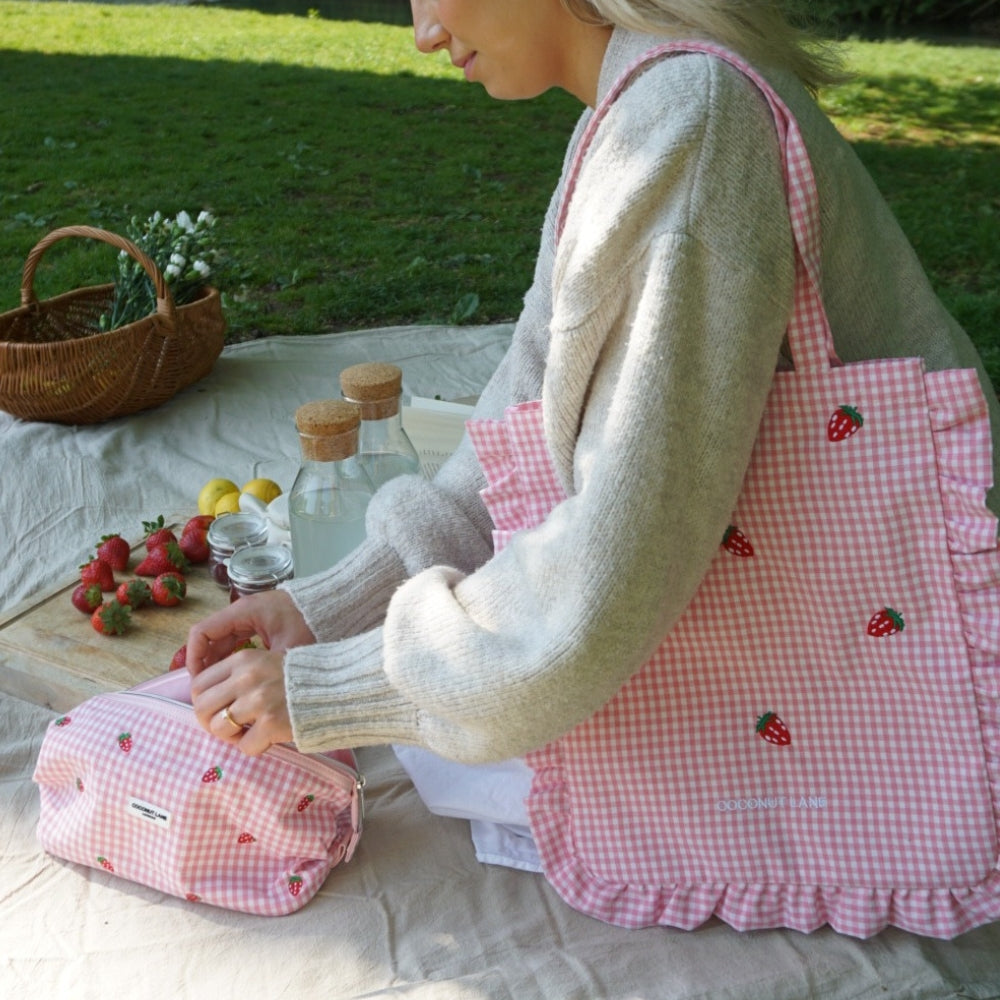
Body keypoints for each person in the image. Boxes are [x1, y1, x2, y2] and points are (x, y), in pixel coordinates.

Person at [188, 0, 1000, 845]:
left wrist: (334, 687)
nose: (422, 32)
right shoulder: (638, 108)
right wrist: (337, 606)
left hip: (864, 677)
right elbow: (528, 401)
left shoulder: (691, 121)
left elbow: (615, 563)